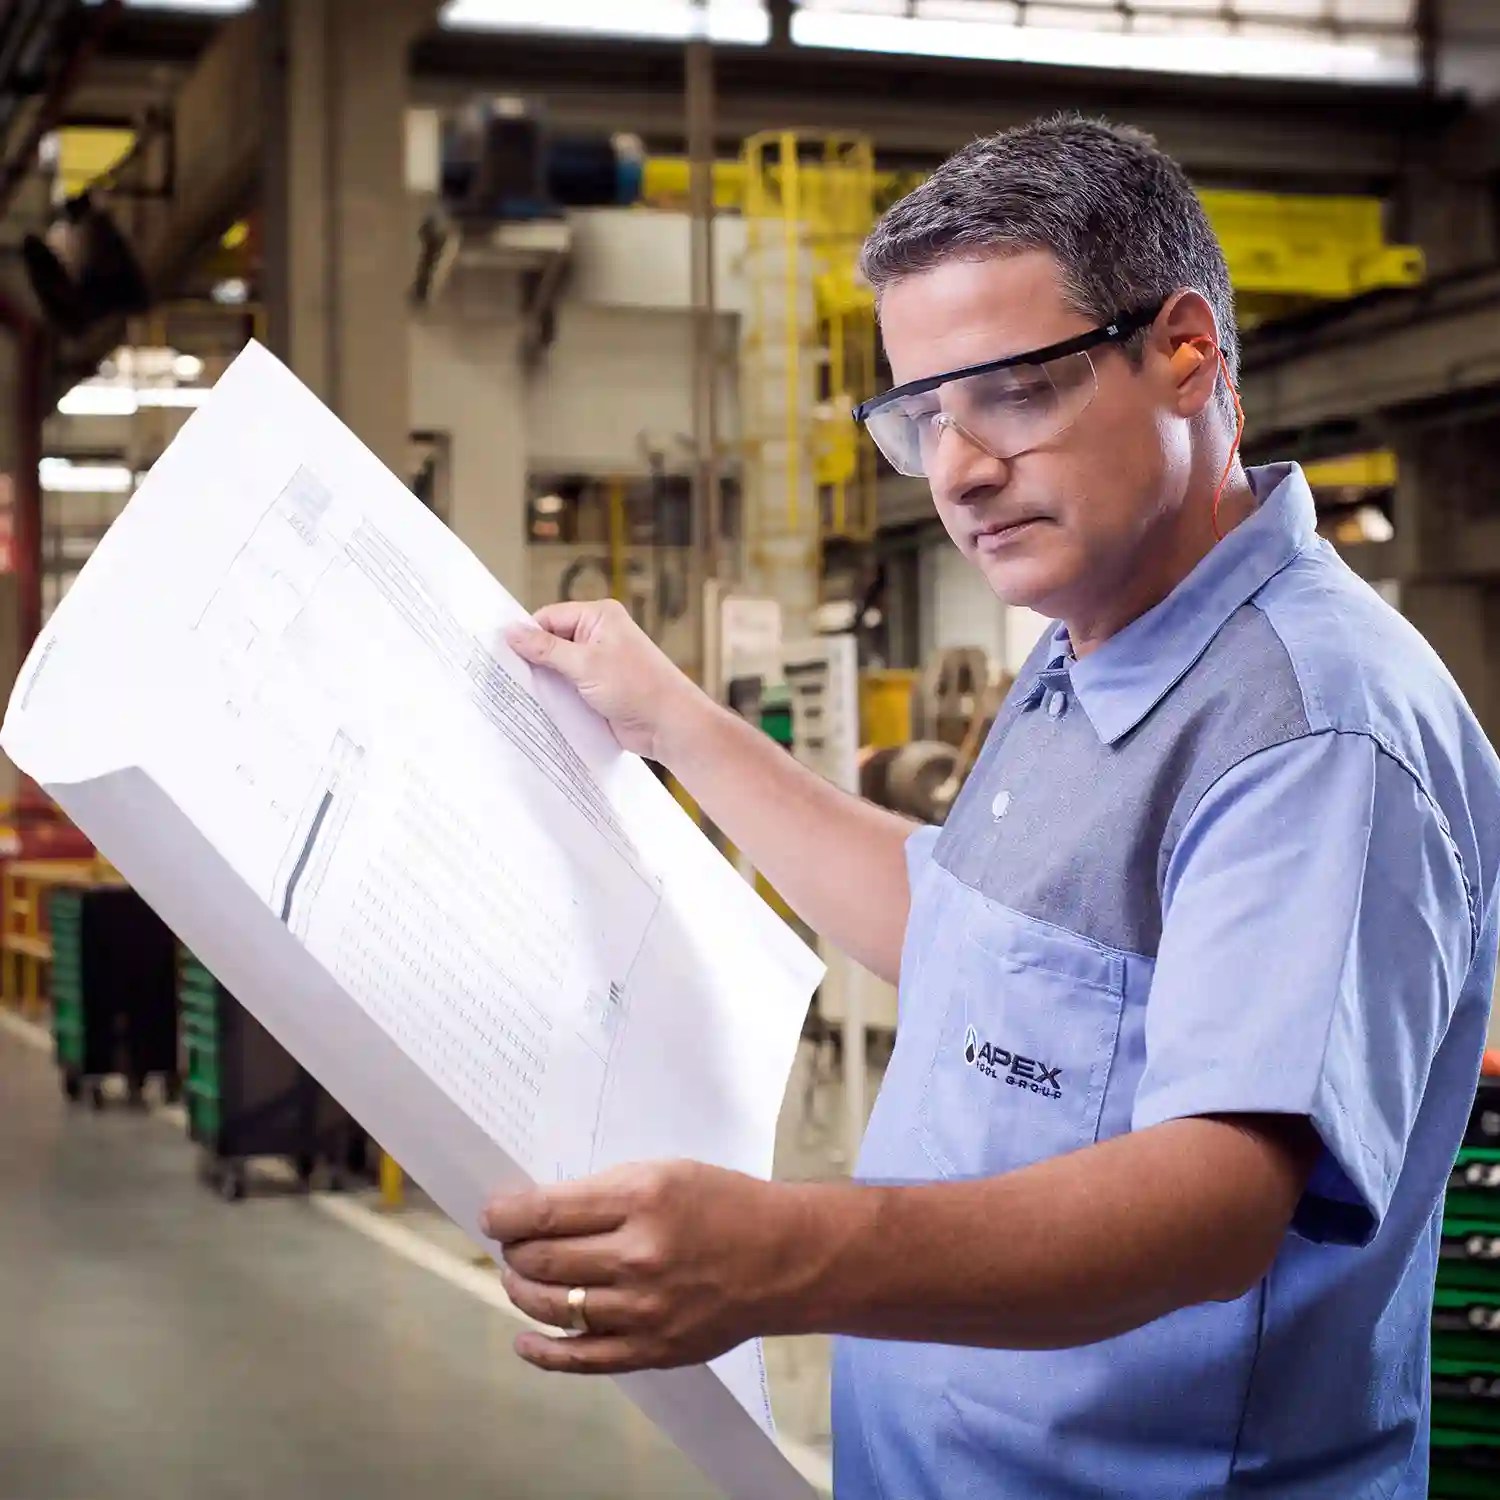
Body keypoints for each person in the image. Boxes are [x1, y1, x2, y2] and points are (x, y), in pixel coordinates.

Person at [482, 116, 1500, 1497]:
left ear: (1187, 352)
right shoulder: (1092, 640)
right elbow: (965, 932)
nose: (958, 472)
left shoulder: (1312, 730)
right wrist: (675, 725)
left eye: (1013, 394)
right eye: (923, 419)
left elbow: (1215, 1204)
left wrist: (783, 1255)